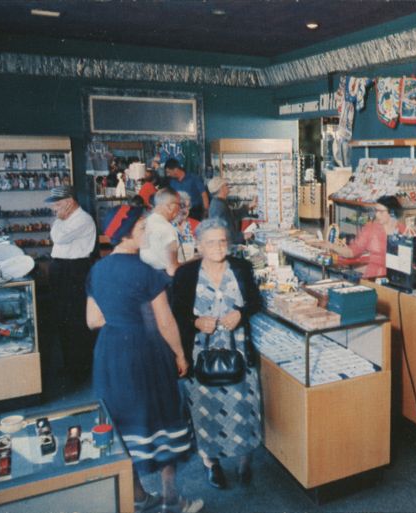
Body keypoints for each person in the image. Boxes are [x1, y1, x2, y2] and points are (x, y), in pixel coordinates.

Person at [87, 205, 203, 513]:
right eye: (140, 227)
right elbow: (165, 322)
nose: (146, 231)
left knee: (124, 422)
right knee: (163, 416)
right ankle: (171, 498)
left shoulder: (96, 270)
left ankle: (138, 496)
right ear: (124, 233)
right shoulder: (145, 272)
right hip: (146, 350)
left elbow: (93, 319)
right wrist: (180, 354)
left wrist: (119, 314)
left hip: (110, 352)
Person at [171, 218, 263, 490]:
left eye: (223, 240)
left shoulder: (242, 268)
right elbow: (176, 311)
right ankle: (211, 464)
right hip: (201, 355)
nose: (218, 246)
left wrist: (241, 313)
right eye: (211, 242)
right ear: (198, 245)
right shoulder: (186, 274)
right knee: (204, 410)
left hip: (238, 352)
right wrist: (196, 321)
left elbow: (256, 301)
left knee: (244, 408)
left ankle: (244, 462)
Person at [45, 185, 97, 384]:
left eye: (57, 205)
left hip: (74, 270)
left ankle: (79, 369)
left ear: (69, 202)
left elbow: (56, 237)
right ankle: (70, 365)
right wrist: (60, 219)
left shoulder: (82, 219)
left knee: (75, 319)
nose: (55, 209)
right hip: (62, 268)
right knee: (63, 318)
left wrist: (58, 219)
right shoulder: (66, 219)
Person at [313, 195, 406, 279]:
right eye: (376, 211)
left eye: (381, 212)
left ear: (392, 213)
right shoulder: (370, 228)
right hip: (374, 277)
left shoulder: (403, 230)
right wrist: (331, 246)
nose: (377, 215)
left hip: (396, 279)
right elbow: (352, 252)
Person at [141, 188, 182, 276]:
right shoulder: (167, 229)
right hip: (162, 278)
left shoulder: (144, 223)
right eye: (179, 205)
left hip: (144, 274)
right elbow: (172, 269)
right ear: (170, 206)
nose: (180, 209)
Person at [207, 177, 256, 245]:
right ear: (221, 189)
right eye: (226, 185)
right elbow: (225, 234)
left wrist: (248, 206)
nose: (228, 187)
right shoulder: (220, 206)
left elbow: (232, 215)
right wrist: (243, 236)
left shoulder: (218, 202)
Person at [173, 190, 200, 263]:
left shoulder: (197, 225)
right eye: (182, 206)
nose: (186, 211)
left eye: (188, 207)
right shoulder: (166, 225)